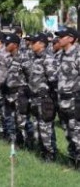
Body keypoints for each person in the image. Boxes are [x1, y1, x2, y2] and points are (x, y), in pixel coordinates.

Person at [28, 33, 57, 162]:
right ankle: (42, 153)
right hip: (35, 99)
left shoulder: (48, 59)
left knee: (46, 129)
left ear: (41, 44)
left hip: (45, 100)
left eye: (34, 42)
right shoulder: (35, 58)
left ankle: (50, 155)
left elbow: (54, 80)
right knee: (37, 129)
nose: (31, 44)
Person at [55, 27, 80, 167]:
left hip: (75, 100)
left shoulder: (78, 54)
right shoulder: (60, 55)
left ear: (71, 38)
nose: (59, 38)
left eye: (62, 36)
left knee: (77, 133)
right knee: (67, 133)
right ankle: (73, 161)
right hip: (62, 100)